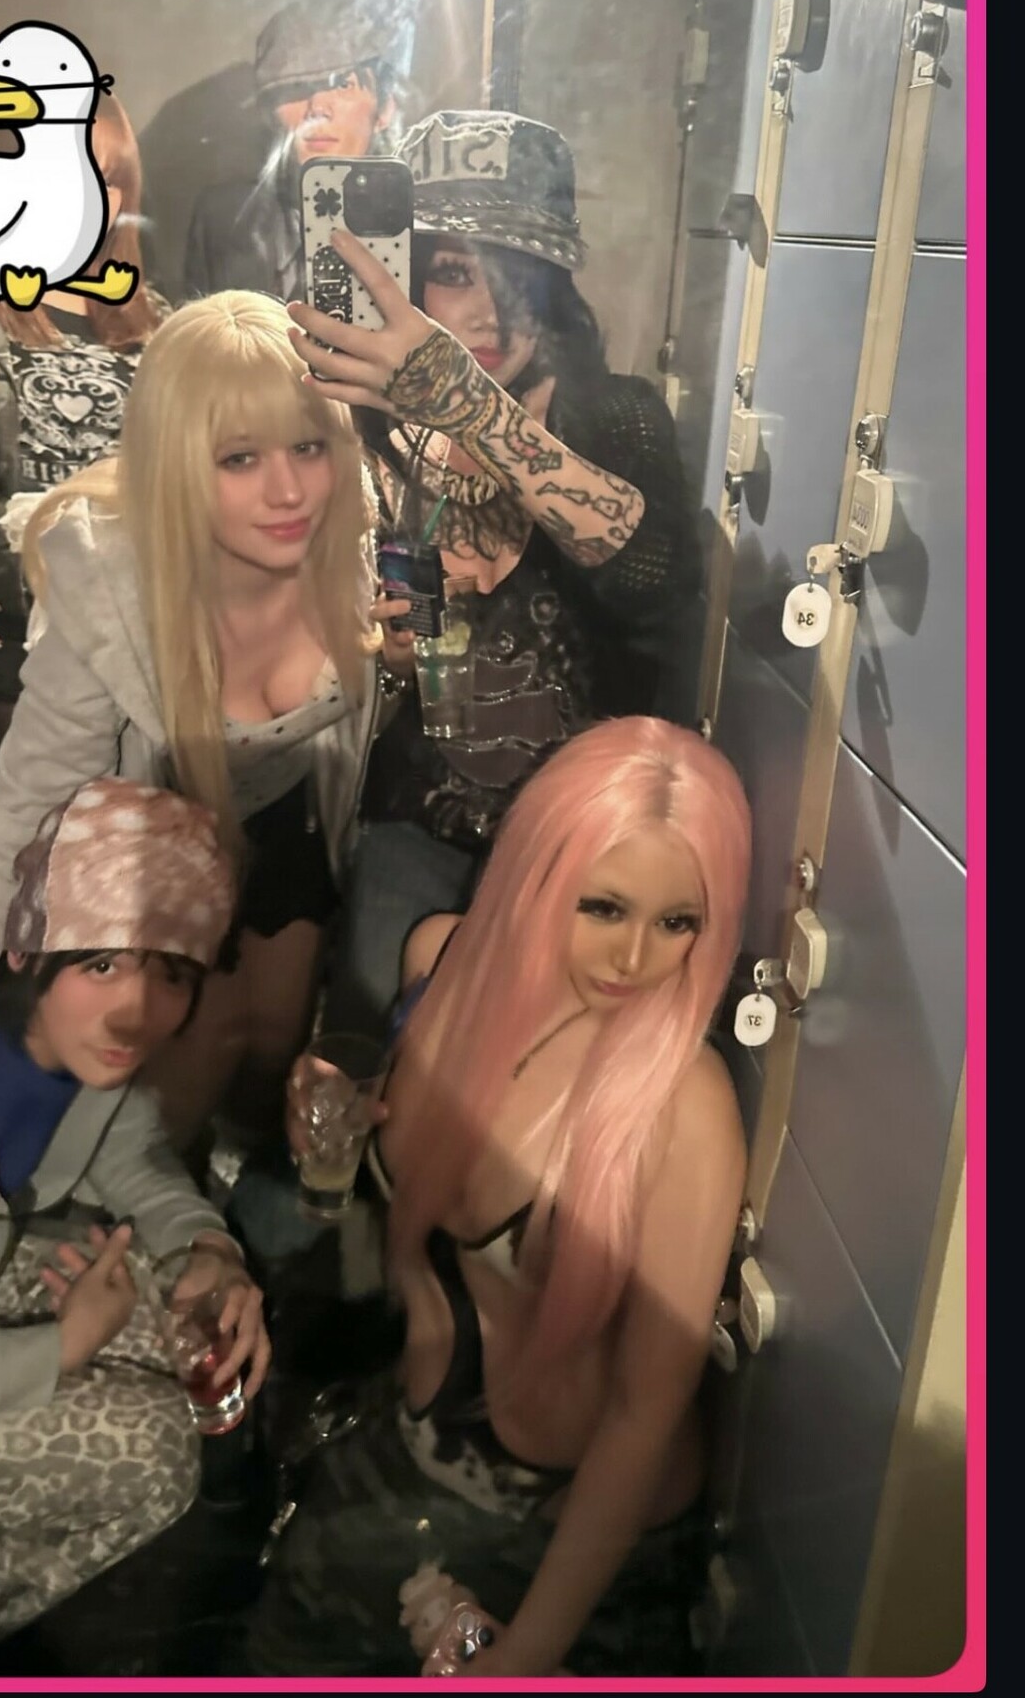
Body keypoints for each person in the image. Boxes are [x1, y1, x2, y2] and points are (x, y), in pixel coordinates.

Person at [245, 717, 752, 1677]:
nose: (634, 957)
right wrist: (329, 1114)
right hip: (407, 1430)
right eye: (603, 906)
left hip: (558, 1528)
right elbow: (386, 1199)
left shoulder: (686, 1106)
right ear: (537, 874)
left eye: (676, 922)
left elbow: (642, 1417)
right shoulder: (441, 964)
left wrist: (524, 1657)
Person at [0, 291, 383, 1156]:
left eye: (308, 446)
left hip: (294, 822)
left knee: (272, 1051)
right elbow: (22, 816)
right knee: (168, 1103)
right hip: (150, 864)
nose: (288, 490)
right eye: (238, 457)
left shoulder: (354, 537)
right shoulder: (111, 598)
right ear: (175, 464)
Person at [305, 112, 700, 1042]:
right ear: (405, 277)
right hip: (418, 820)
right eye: (452, 271)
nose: (487, 312)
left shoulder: (611, 415)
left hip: (582, 850)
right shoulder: (375, 428)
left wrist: (467, 404)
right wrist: (392, 661)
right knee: (368, 1050)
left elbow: (650, 576)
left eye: (516, 272)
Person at [0, 776, 272, 1657]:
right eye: (101, 964)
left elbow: (132, 1156)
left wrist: (208, 1249)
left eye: (171, 974)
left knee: (175, 1309)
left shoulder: (56, 1049)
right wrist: (54, 1352)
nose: (136, 1011)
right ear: (27, 951)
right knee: (155, 1450)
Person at [0, 93, 168, 822]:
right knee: (19, 831)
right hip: (5, 627)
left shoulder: (158, 323)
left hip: (128, 619)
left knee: (115, 836)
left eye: (107, 178)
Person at [183, 0, 408, 306]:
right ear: (267, 112)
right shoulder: (222, 219)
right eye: (295, 88)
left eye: (343, 85)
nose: (317, 108)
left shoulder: (416, 226)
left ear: (384, 111)